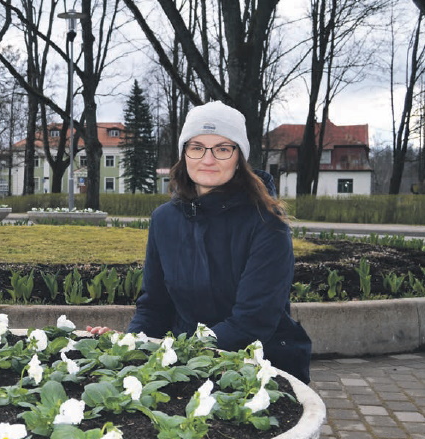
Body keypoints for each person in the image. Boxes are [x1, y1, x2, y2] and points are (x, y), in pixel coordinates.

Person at [92, 101, 311, 383]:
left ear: (239, 157)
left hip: (258, 365)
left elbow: (252, 322)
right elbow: (155, 306)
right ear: (184, 153)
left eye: (222, 149)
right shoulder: (164, 219)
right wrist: (132, 344)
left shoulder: (267, 222)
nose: (207, 159)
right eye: (197, 147)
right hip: (184, 365)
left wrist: (177, 354)